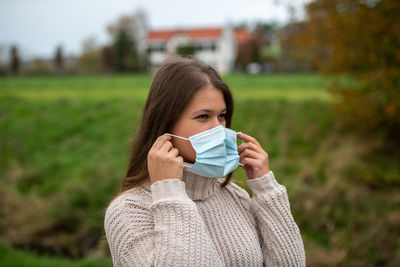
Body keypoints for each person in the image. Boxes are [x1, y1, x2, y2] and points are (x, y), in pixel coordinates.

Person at [104, 56, 306, 266]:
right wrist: (170, 192)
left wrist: (266, 189)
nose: (219, 128)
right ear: (166, 122)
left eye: (221, 116)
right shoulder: (129, 211)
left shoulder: (236, 196)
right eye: (203, 117)